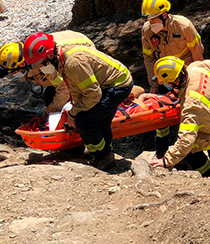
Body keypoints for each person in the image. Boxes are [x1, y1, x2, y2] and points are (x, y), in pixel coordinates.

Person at [23, 32, 133, 171]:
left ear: (50, 56)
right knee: (100, 120)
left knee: (84, 122)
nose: (41, 69)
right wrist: (76, 105)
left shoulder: (73, 62)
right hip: (107, 84)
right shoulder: (62, 59)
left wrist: (73, 114)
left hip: (118, 86)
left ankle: (104, 157)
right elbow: (75, 87)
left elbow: (93, 94)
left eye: (41, 64)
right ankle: (103, 152)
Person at [141, 0, 204, 158]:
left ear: (164, 15)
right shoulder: (148, 31)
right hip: (164, 75)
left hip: (186, 73)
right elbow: (148, 58)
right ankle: (161, 149)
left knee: (188, 109)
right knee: (161, 115)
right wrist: (153, 84)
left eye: (153, 19)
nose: (150, 23)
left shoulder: (184, 26)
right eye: (149, 19)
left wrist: (200, 74)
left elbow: (197, 52)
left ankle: (192, 149)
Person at [149, 56, 210, 177]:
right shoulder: (196, 67)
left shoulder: (190, 104)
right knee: (191, 152)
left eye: (167, 84)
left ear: (175, 81)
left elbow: (186, 140)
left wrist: (166, 161)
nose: (167, 87)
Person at [0, 31, 95, 116]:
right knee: (51, 93)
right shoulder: (32, 53)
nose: (14, 75)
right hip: (78, 43)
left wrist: (49, 112)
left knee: (75, 95)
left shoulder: (44, 62)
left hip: (85, 55)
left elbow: (64, 89)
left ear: (22, 64)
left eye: (14, 72)